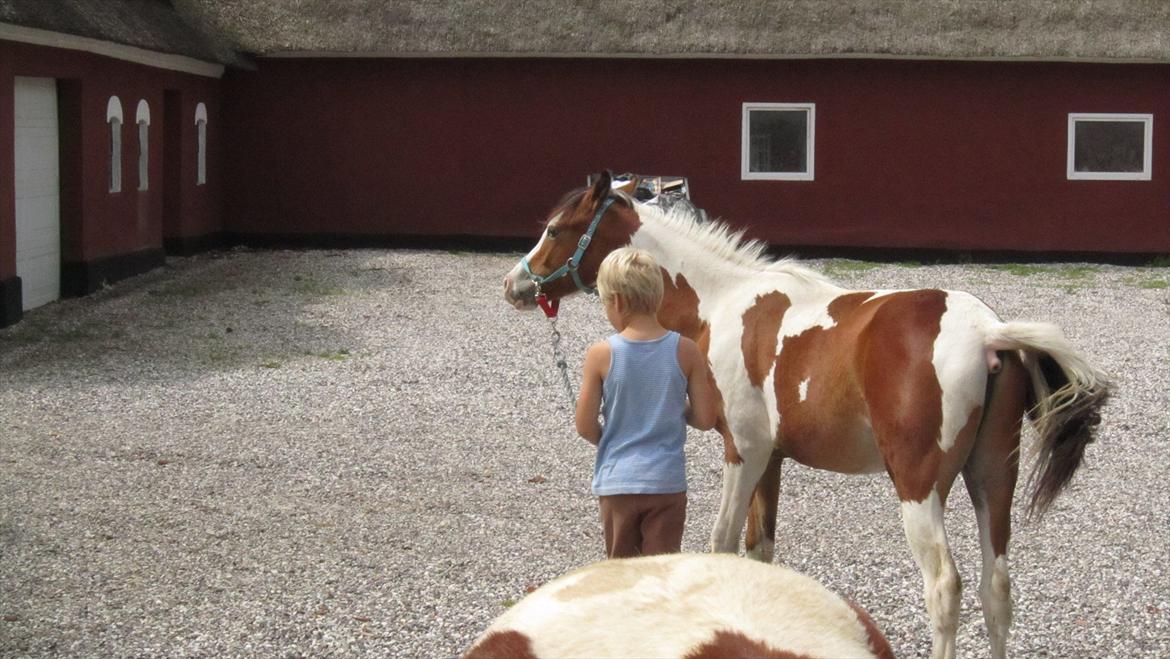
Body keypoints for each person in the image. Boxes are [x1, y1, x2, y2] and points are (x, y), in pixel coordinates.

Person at [575, 247, 717, 559]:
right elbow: (707, 419)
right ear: (659, 296)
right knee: (661, 577)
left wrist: (610, 440)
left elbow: (584, 425)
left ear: (618, 302)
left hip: (618, 482)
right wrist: (675, 408)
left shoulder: (600, 354)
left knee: (621, 575)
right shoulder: (687, 350)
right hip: (666, 483)